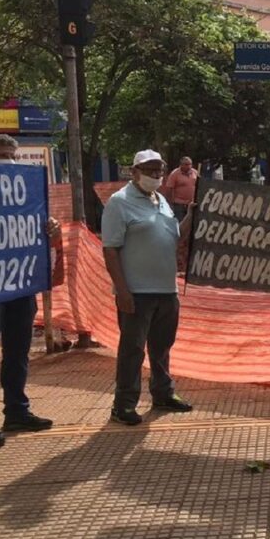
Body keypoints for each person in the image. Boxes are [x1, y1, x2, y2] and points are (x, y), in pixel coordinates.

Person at [0, 134, 60, 448]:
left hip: (20, 284)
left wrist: (49, 229)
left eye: (13, 155)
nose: (9, 160)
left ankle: (17, 410)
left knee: (18, 350)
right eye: (1, 154)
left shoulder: (25, 193)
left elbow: (35, 228)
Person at [101, 150, 195, 426]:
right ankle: (124, 405)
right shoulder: (119, 203)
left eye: (159, 170)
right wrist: (123, 290)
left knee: (162, 346)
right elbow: (110, 250)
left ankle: (163, 393)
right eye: (150, 169)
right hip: (136, 292)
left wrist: (190, 215)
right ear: (134, 171)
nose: (155, 175)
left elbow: (175, 237)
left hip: (167, 290)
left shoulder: (161, 200)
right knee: (132, 349)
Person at [163, 156, 198, 221]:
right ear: (181, 165)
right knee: (180, 223)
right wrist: (170, 203)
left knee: (191, 224)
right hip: (179, 205)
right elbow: (169, 188)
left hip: (191, 204)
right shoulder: (175, 174)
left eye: (190, 164)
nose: (189, 166)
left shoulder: (195, 172)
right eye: (186, 164)